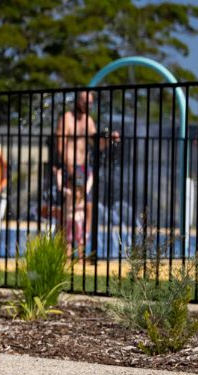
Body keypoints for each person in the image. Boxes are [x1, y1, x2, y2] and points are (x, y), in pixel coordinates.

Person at [54, 91, 118, 257]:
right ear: (77, 101)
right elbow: (61, 147)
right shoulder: (66, 119)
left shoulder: (89, 121)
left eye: (90, 102)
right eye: (85, 102)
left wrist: (108, 136)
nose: (88, 105)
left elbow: (98, 144)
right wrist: (69, 170)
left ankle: (82, 247)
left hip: (84, 168)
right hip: (70, 167)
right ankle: (65, 250)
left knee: (87, 208)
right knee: (69, 208)